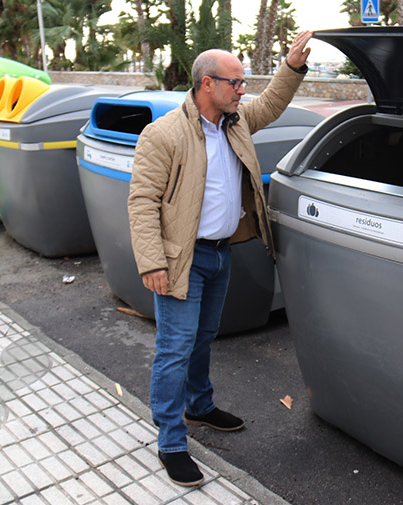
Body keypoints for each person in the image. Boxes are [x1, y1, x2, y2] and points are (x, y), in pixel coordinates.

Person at [127, 31, 313, 487]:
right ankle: (171, 441)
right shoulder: (164, 133)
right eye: (235, 82)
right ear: (207, 84)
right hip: (179, 260)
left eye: (243, 82)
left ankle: (200, 406)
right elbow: (142, 201)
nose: (242, 90)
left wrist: (291, 66)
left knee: (204, 336)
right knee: (174, 348)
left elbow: (270, 104)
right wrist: (152, 262)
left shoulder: (236, 122)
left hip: (219, 254)